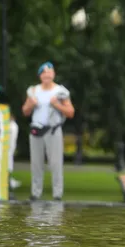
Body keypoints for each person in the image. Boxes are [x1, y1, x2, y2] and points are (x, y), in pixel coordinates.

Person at [22, 62, 75, 201]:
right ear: (40, 76)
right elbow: (25, 111)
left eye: (50, 72)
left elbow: (70, 112)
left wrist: (56, 105)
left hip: (53, 130)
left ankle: (57, 194)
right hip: (36, 129)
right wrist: (30, 104)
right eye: (44, 72)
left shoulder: (60, 91)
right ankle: (35, 193)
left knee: (56, 163)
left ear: (54, 74)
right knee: (36, 163)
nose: (47, 74)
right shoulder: (33, 91)